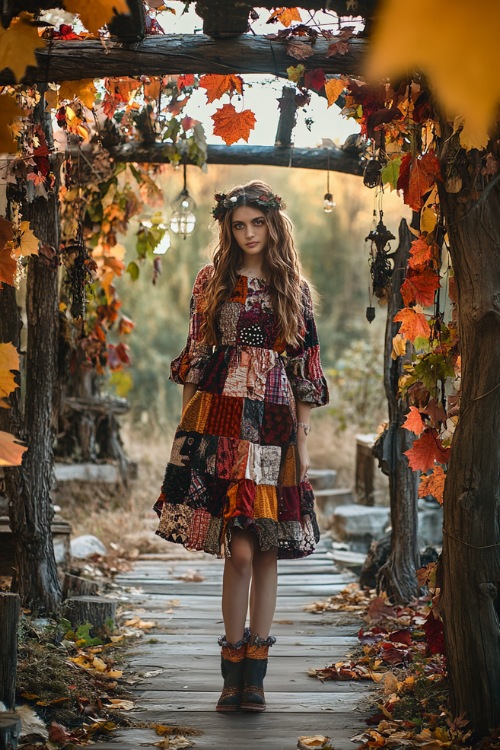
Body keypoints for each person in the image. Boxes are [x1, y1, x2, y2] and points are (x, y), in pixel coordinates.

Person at [154, 180, 329, 713]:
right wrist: (187, 428)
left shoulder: (292, 287)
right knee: (241, 550)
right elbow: (197, 354)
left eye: (258, 223)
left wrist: (303, 435)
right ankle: (231, 672)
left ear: (274, 224)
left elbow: (304, 365)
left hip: (276, 425)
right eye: (239, 225)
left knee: (267, 545)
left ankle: (256, 679)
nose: (249, 233)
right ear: (228, 229)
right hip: (221, 421)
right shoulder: (212, 281)